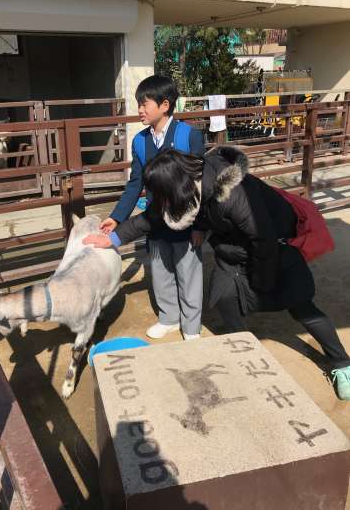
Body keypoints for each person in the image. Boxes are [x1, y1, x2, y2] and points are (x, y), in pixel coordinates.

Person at [84, 147, 350, 401]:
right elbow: (152, 217)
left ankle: (342, 364)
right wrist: (113, 238)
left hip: (274, 248)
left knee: (301, 305)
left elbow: (263, 240)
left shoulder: (233, 195)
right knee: (224, 296)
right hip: (232, 249)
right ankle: (244, 350)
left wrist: (260, 284)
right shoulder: (188, 188)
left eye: (161, 194)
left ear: (176, 187)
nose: (159, 200)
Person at [100, 75, 205, 340]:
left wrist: (200, 225)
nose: (140, 110)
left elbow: (202, 186)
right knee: (160, 271)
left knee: (188, 273)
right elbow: (135, 183)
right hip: (154, 219)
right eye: (139, 104)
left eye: (144, 104)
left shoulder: (189, 136)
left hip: (186, 220)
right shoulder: (140, 141)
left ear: (165, 105)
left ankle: (191, 327)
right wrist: (117, 217)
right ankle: (169, 318)